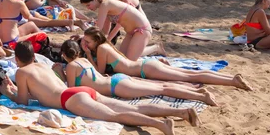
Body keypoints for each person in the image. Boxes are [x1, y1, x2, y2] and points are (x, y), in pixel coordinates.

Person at [0, 42, 200, 135]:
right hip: (79, 91)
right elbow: (41, 92)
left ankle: (161, 124)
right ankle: (181, 112)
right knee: (134, 106)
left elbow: (23, 101)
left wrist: (9, 92)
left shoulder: (21, 71)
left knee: (113, 116)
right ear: (33, 55)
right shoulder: (42, 66)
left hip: (69, 99)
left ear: (17, 59)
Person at [81, 27, 252, 90]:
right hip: (146, 65)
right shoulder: (106, 46)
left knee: (190, 76)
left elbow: (100, 72)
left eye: (88, 42)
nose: (86, 44)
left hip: (145, 69)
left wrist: (88, 54)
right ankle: (231, 78)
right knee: (188, 73)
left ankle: (232, 81)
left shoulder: (102, 49)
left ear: (95, 41)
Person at [59, 40, 217, 105]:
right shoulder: (85, 61)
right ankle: (196, 91)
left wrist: (61, 73)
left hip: (117, 87)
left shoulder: (72, 67)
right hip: (117, 80)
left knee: (161, 89)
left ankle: (201, 96)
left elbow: (71, 90)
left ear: (65, 55)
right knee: (161, 86)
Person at [79, 0, 164, 60]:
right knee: (122, 58)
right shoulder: (104, 7)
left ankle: (156, 48)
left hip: (142, 29)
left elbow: (98, 28)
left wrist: (84, 37)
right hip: (131, 33)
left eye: (88, 5)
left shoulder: (105, 4)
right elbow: (104, 31)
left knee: (129, 61)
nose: (88, 8)